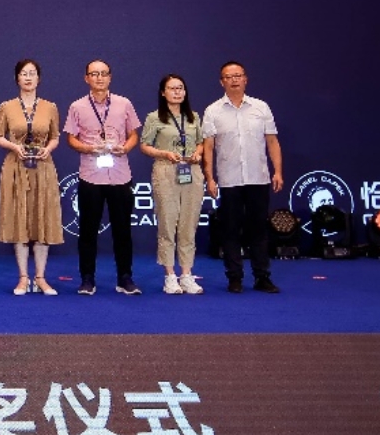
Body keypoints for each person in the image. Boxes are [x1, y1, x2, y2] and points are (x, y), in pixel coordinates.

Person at [62, 60, 143, 296]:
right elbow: (71, 138)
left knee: (123, 230)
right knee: (88, 231)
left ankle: (125, 278)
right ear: (86, 78)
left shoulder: (124, 103)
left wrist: (125, 148)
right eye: (94, 74)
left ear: (110, 77)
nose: (99, 78)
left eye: (104, 73)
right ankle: (87, 279)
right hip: (91, 175)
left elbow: (133, 135)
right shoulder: (77, 106)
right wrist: (88, 148)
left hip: (120, 175)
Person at [201, 61, 282, 294]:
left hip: (258, 178)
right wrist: (210, 178)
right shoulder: (213, 111)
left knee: (258, 230)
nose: (234, 80)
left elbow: (272, 141)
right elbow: (208, 147)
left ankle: (262, 277)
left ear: (246, 79)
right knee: (230, 230)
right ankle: (234, 277)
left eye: (238, 75)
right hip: (229, 180)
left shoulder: (261, 107)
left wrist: (278, 171)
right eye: (229, 76)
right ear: (222, 82)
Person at [0, 59, 64, 296]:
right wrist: (14, 147)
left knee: (42, 220)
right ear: (17, 78)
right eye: (24, 73)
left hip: (43, 167)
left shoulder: (50, 107)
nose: (28, 77)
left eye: (32, 73)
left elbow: (55, 136)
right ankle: (23, 278)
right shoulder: (7, 107)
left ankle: (41, 278)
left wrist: (48, 149)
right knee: (20, 220)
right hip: (16, 167)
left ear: (39, 79)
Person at [138, 74, 207, 295]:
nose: (177, 92)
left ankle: (186, 274)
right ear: (163, 92)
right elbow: (144, 145)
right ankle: (169, 275)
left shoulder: (193, 117)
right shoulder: (154, 117)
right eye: (172, 88)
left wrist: (198, 153)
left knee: (189, 223)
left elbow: (201, 142)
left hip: (191, 171)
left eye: (180, 88)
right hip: (166, 169)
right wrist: (164, 153)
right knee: (168, 223)